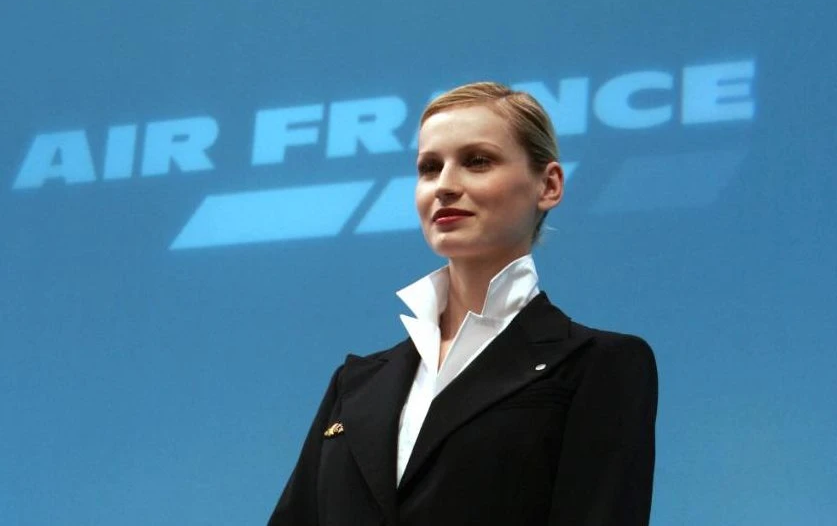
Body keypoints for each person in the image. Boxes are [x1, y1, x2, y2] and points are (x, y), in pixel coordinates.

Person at [268, 82, 658, 526]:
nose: (445, 186)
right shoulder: (354, 384)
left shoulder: (599, 365)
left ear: (548, 185)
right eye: (429, 167)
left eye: (477, 161)